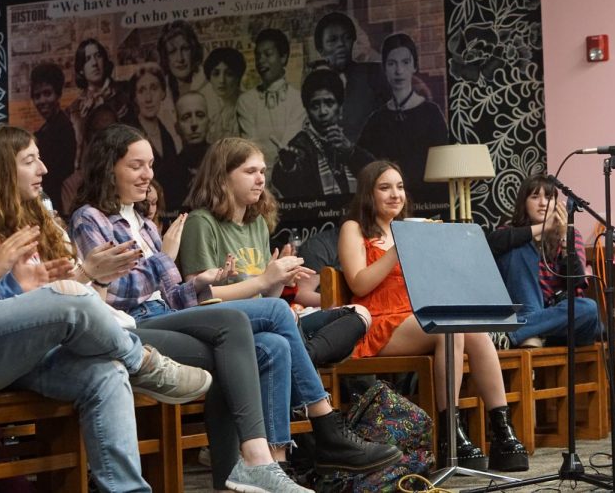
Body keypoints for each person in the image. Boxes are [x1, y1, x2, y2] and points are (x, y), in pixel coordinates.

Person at [69, 124, 402, 479]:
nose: (148, 175)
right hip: (131, 325)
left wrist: (201, 283)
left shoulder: (147, 224)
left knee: (274, 343)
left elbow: (174, 296)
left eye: (150, 165)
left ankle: (273, 468)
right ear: (109, 167)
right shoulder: (90, 218)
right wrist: (167, 259)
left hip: (168, 315)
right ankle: (325, 425)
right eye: (137, 166)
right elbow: (116, 291)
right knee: (268, 317)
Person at [0, 128, 215, 492]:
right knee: (69, 295)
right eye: (29, 161)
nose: (44, 168)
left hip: (29, 355)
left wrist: (88, 275)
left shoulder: (39, 220)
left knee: (106, 373)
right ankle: (144, 363)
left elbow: (70, 300)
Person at [338, 160, 529, 472]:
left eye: (399, 187)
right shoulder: (354, 228)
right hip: (377, 322)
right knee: (446, 329)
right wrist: (398, 249)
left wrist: (439, 249)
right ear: (367, 194)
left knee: (475, 330)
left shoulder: (414, 226)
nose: (395, 194)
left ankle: (502, 431)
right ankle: (450, 434)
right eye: (384, 188)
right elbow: (358, 282)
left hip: (417, 316)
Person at [180, 137, 370, 367]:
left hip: (269, 318)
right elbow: (200, 298)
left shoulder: (256, 222)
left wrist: (279, 280)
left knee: (358, 314)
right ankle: (305, 369)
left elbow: (268, 298)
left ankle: (303, 358)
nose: (261, 179)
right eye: (250, 171)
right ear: (222, 178)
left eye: (262, 171)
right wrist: (265, 279)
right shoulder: (200, 221)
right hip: (229, 325)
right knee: (282, 318)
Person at [486, 174, 602, 349]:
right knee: (518, 247)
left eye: (548, 197)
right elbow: (492, 241)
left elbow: (577, 281)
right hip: (528, 310)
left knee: (589, 308)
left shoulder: (571, 235)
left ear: (556, 203)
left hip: (563, 322)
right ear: (523, 203)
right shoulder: (509, 234)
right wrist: (544, 227)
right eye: (535, 197)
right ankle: (530, 332)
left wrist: (563, 237)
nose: (542, 203)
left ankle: (517, 332)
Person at [356, 33, 448, 205]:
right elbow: (363, 167)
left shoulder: (431, 113)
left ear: (414, 66)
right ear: (384, 67)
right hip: (388, 208)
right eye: (392, 63)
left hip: (428, 206)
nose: (399, 71)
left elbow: (442, 167)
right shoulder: (377, 119)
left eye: (405, 62)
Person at [273, 68, 374, 198]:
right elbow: (290, 186)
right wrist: (288, 168)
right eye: (315, 105)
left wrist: (350, 151)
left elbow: (377, 173)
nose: (323, 112)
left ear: (340, 108)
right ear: (307, 112)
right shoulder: (300, 145)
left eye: (329, 103)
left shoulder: (349, 138)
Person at [237, 28, 307, 180]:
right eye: (258, 56)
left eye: (268, 54)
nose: (261, 61)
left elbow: (290, 146)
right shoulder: (246, 101)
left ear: (283, 57)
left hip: (291, 179)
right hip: (258, 183)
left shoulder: (299, 100)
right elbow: (251, 149)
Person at [312, 12, 389, 142]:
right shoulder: (316, 86)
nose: (341, 44)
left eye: (346, 38)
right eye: (333, 40)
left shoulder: (374, 74)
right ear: (321, 49)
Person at [66, 39, 131, 165]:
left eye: (98, 56)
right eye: (87, 59)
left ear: (104, 61)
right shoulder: (74, 110)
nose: (94, 63)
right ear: (81, 69)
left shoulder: (126, 91)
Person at [30, 62, 75, 217]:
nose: (42, 101)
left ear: (58, 94)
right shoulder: (45, 130)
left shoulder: (64, 128)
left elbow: (58, 175)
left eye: (47, 93)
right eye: (37, 96)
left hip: (59, 205)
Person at [157, 91, 211, 218]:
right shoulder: (166, 173)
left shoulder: (224, 164)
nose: (194, 124)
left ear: (209, 122)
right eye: (186, 117)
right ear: (177, 127)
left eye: (200, 115)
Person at [124, 63, 178, 167]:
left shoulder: (167, 137)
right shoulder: (128, 136)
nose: (148, 98)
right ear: (135, 97)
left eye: (154, 88)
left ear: (163, 93)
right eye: (141, 91)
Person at [157, 20, 208, 105]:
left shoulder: (211, 85)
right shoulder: (158, 90)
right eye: (172, 51)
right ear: (165, 57)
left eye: (185, 49)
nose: (180, 59)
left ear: (193, 51)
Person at [203, 47, 246, 142]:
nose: (222, 80)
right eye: (216, 73)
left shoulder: (248, 106)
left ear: (238, 77)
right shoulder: (210, 111)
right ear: (209, 78)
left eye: (229, 74)